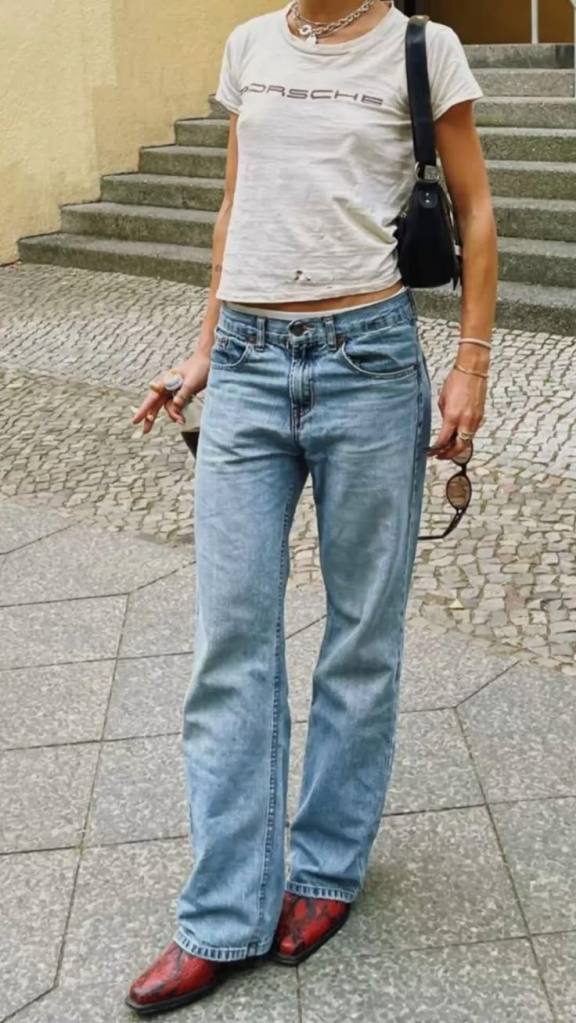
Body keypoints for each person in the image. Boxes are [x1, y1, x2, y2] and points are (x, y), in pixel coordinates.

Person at [126, 0, 497, 1014]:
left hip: (369, 363)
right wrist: (205, 348)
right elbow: (236, 208)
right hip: (247, 364)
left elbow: (474, 209)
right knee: (230, 639)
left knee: (360, 637)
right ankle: (223, 912)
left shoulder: (425, 48)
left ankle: (324, 869)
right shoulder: (250, 44)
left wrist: (469, 364)